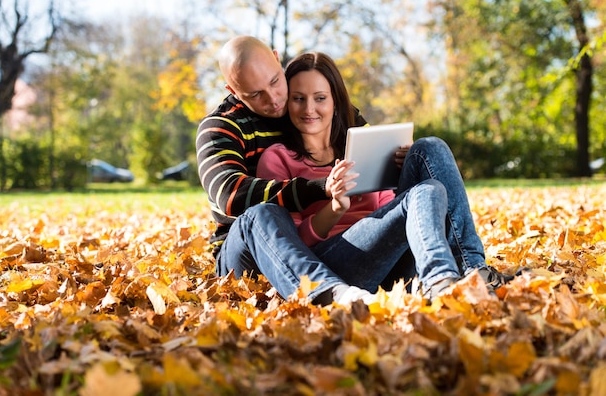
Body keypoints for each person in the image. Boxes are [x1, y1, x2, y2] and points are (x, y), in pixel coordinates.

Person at [196, 35, 512, 306]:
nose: (274, 98)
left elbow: (376, 180)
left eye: (276, 82)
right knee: (262, 214)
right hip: (248, 250)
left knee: (429, 151)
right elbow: (232, 196)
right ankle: (330, 293)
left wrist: (398, 162)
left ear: (278, 62)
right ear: (234, 91)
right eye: (256, 95)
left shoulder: (335, 119)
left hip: (356, 248)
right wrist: (323, 191)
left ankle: (470, 270)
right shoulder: (221, 127)